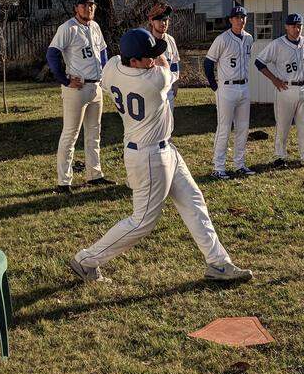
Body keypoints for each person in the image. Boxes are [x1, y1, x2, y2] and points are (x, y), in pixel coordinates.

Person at [69, 28, 253, 284]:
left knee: (194, 201)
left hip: (163, 150)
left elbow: (114, 61)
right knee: (142, 221)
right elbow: (168, 66)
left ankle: (218, 263)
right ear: (133, 61)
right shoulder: (153, 80)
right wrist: (160, 40)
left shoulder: (112, 69)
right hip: (149, 155)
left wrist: (150, 41)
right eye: (147, 57)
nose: (153, 60)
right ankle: (85, 261)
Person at [45, 0, 114, 194]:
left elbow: (103, 53)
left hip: (95, 86)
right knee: (70, 134)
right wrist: (64, 79)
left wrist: (105, 75)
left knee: (94, 133)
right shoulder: (68, 28)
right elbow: (52, 54)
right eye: (84, 5)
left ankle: (94, 175)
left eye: (91, 5)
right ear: (76, 8)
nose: (88, 8)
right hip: (77, 88)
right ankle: (63, 182)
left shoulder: (95, 26)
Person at [255, 13, 304, 167]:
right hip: (285, 88)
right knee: (283, 125)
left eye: (299, 26)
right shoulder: (278, 44)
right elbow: (259, 62)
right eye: (293, 26)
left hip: (303, 88)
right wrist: (274, 79)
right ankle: (280, 157)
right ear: (286, 26)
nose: (296, 29)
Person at [203, 6, 255, 179]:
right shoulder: (222, 39)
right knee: (224, 128)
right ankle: (218, 167)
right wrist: (214, 86)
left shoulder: (249, 38)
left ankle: (239, 164)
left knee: (243, 127)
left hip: (244, 87)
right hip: (226, 88)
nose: (240, 20)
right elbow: (208, 63)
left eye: (243, 17)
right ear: (231, 20)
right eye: (237, 17)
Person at [147, 2, 180, 107]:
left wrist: (175, 83)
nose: (163, 23)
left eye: (165, 20)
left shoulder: (170, 40)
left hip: (168, 90)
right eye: (160, 19)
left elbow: (174, 64)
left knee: (169, 123)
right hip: (150, 91)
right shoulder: (144, 40)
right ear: (151, 21)